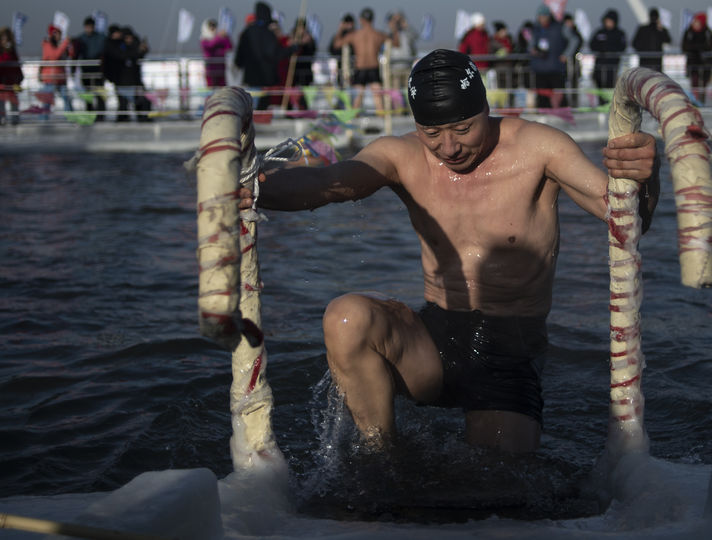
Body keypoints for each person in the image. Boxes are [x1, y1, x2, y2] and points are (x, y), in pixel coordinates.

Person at [237, 49, 658, 454]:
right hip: (433, 340)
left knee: (498, 491)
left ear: (485, 110)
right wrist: (249, 188)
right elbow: (329, 183)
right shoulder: (401, 156)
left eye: (462, 129)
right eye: (432, 133)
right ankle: (381, 460)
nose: (449, 148)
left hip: (511, 349)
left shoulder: (539, 148)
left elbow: (623, 213)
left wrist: (645, 177)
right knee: (346, 318)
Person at [234, 2, 292, 110]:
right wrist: (292, 49)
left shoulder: (247, 32)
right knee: (261, 107)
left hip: (251, 78)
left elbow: (239, 56)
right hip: (266, 79)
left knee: (252, 107)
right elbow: (275, 54)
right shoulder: (267, 33)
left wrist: (238, 64)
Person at [333, 7, 387, 112]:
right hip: (373, 68)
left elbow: (336, 44)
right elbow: (395, 43)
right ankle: (383, 122)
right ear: (372, 19)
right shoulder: (378, 35)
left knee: (357, 101)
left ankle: (354, 122)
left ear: (361, 20)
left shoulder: (355, 35)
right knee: (378, 100)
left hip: (361, 68)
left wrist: (340, 29)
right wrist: (394, 29)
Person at [104, 26, 151, 121]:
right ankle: (123, 120)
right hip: (121, 80)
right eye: (126, 38)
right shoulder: (118, 46)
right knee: (123, 104)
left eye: (131, 37)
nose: (129, 39)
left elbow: (141, 53)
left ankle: (143, 118)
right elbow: (121, 55)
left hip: (135, 79)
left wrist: (143, 49)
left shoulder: (135, 45)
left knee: (142, 101)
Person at [528, 4, 571, 109]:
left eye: (543, 16)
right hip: (540, 68)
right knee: (542, 96)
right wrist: (533, 50)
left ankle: (562, 115)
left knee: (559, 96)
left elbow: (574, 40)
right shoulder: (536, 29)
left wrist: (566, 54)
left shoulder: (560, 27)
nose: (541, 19)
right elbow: (530, 45)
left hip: (556, 68)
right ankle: (543, 114)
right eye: (540, 17)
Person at [590, 9, 627, 104]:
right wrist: (601, 49)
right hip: (599, 66)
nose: (608, 23)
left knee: (611, 86)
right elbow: (592, 44)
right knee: (599, 84)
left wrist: (610, 49)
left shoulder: (619, 34)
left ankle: (610, 105)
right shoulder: (599, 32)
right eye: (607, 21)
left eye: (610, 21)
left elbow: (622, 46)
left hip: (612, 66)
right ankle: (601, 103)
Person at [74, 16, 107, 119]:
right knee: (88, 94)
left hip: (98, 70)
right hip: (86, 70)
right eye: (87, 27)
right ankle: (89, 114)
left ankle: (101, 115)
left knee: (99, 93)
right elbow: (75, 54)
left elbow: (105, 50)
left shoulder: (101, 37)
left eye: (91, 27)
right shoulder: (80, 39)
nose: (89, 29)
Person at [40, 24, 75, 115]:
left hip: (60, 78)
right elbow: (54, 56)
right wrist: (65, 43)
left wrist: (70, 47)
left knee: (67, 99)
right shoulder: (47, 45)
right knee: (47, 102)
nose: (59, 36)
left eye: (60, 34)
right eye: (56, 34)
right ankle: (43, 120)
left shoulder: (61, 45)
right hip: (50, 79)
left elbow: (70, 55)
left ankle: (71, 118)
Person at [681, 12, 712, 105]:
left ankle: (702, 102)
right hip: (693, 62)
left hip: (705, 63)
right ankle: (695, 102)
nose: (695, 23)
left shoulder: (708, 32)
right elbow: (684, 46)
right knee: (695, 83)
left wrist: (695, 48)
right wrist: (698, 48)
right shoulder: (689, 32)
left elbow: (710, 46)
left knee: (703, 84)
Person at [387, 11, 418, 93]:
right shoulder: (390, 33)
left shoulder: (406, 33)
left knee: (409, 91)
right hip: (394, 67)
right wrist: (392, 27)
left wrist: (406, 26)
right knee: (396, 93)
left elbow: (415, 36)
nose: (397, 23)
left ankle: (409, 106)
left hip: (407, 66)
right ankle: (398, 106)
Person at [633, 8, 671, 72]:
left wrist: (661, 30)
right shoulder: (643, 29)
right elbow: (634, 43)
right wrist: (643, 51)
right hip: (646, 61)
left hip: (655, 62)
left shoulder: (659, 29)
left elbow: (668, 40)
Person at [200, 18, 233, 88]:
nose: (213, 28)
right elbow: (209, 46)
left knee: (222, 90)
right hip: (210, 69)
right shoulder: (204, 39)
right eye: (211, 26)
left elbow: (229, 47)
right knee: (211, 90)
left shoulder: (221, 37)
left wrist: (226, 36)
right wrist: (219, 37)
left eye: (214, 26)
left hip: (221, 68)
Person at [0, 27, 23, 126]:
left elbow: (16, 65)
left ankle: (15, 119)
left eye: (8, 39)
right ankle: (2, 119)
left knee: (14, 102)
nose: (6, 41)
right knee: (1, 102)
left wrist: (20, 77)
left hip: (12, 82)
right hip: (1, 82)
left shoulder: (12, 51)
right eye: (4, 38)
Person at [561, 13, 584, 107]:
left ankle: (574, 103)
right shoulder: (563, 32)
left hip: (574, 61)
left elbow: (579, 41)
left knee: (574, 82)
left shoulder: (575, 32)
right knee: (565, 82)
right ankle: (566, 103)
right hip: (564, 62)